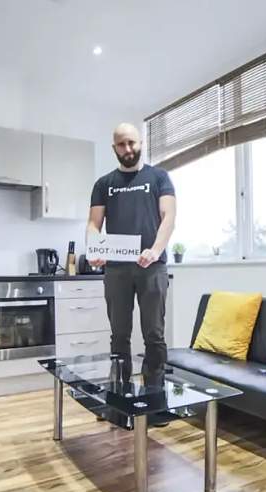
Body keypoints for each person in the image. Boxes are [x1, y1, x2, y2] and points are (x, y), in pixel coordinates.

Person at [87, 122, 176, 389]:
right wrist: (95, 248)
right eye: (121, 144)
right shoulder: (104, 184)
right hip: (116, 269)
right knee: (119, 335)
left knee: (154, 334)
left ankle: (155, 394)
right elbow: (93, 223)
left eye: (132, 142)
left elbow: (168, 217)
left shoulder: (159, 177)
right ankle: (120, 392)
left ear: (141, 143)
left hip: (153, 267)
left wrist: (156, 249)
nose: (128, 148)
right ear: (114, 148)